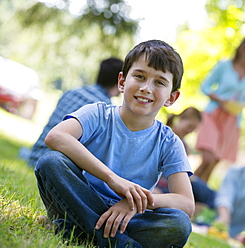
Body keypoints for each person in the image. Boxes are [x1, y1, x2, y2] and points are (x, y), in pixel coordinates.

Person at [34, 40, 195, 248]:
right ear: (122, 82)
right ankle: (121, 244)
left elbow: (186, 203)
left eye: (159, 82)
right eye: (140, 76)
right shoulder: (98, 113)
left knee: (179, 225)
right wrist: (112, 179)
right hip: (81, 198)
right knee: (51, 162)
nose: (146, 88)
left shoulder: (169, 142)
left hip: (128, 217)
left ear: (172, 97)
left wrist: (135, 203)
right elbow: (56, 137)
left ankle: (72, 229)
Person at [28, 57, 123, 167]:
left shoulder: (72, 92)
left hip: (35, 155)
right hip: (58, 164)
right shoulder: (104, 110)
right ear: (119, 80)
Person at [195, 35, 245, 182]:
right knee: (208, 158)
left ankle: (195, 197)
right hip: (214, 114)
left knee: (214, 163)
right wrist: (220, 98)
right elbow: (205, 87)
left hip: (233, 120)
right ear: (240, 49)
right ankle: (180, 191)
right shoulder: (224, 65)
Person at [192, 144, 245, 240]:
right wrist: (223, 221)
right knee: (194, 183)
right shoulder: (235, 172)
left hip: (234, 230)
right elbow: (225, 197)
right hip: (217, 211)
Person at [155, 106, 202, 194]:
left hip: (170, 186)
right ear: (180, 119)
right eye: (189, 126)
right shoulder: (163, 137)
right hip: (159, 186)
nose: (189, 131)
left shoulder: (185, 146)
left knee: (199, 185)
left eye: (193, 129)